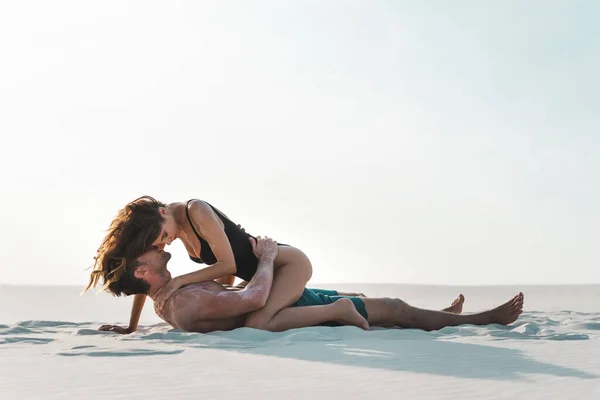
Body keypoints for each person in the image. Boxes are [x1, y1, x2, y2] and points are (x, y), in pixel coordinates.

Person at [104, 236, 524, 333]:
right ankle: (483, 320)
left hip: (289, 304)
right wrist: (267, 258)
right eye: (147, 253)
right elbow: (254, 297)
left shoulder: (170, 293)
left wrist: (130, 327)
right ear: (142, 272)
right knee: (390, 307)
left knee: (368, 301)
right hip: (289, 313)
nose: (156, 248)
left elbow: (233, 291)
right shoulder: (183, 305)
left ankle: (442, 317)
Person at [86, 196, 339, 333]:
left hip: (286, 263)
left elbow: (228, 264)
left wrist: (179, 282)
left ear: (163, 212)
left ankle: (342, 309)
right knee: (293, 304)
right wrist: (131, 327)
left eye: (164, 237)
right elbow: (143, 280)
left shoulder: (196, 211)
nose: (166, 244)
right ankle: (342, 298)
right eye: (159, 245)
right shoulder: (166, 226)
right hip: (260, 275)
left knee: (260, 323)